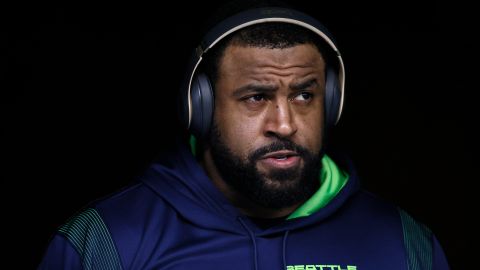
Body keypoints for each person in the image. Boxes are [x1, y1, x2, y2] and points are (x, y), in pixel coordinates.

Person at [38, 1, 451, 269]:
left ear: (331, 102)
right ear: (200, 107)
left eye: (305, 95)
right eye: (256, 97)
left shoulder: (406, 245)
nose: (285, 124)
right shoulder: (106, 243)